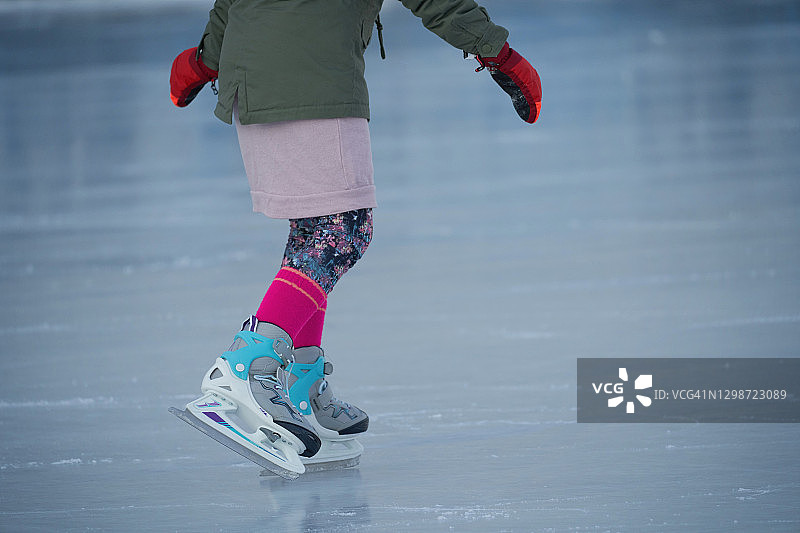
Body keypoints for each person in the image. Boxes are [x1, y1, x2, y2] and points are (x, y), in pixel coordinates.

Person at [168, 0, 541, 479]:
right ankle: (246, 367)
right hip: (308, 74)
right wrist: (498, 53)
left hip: (257, 75)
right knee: (342, 231)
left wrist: (206, 60)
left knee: (313, 232)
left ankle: (298, 387)